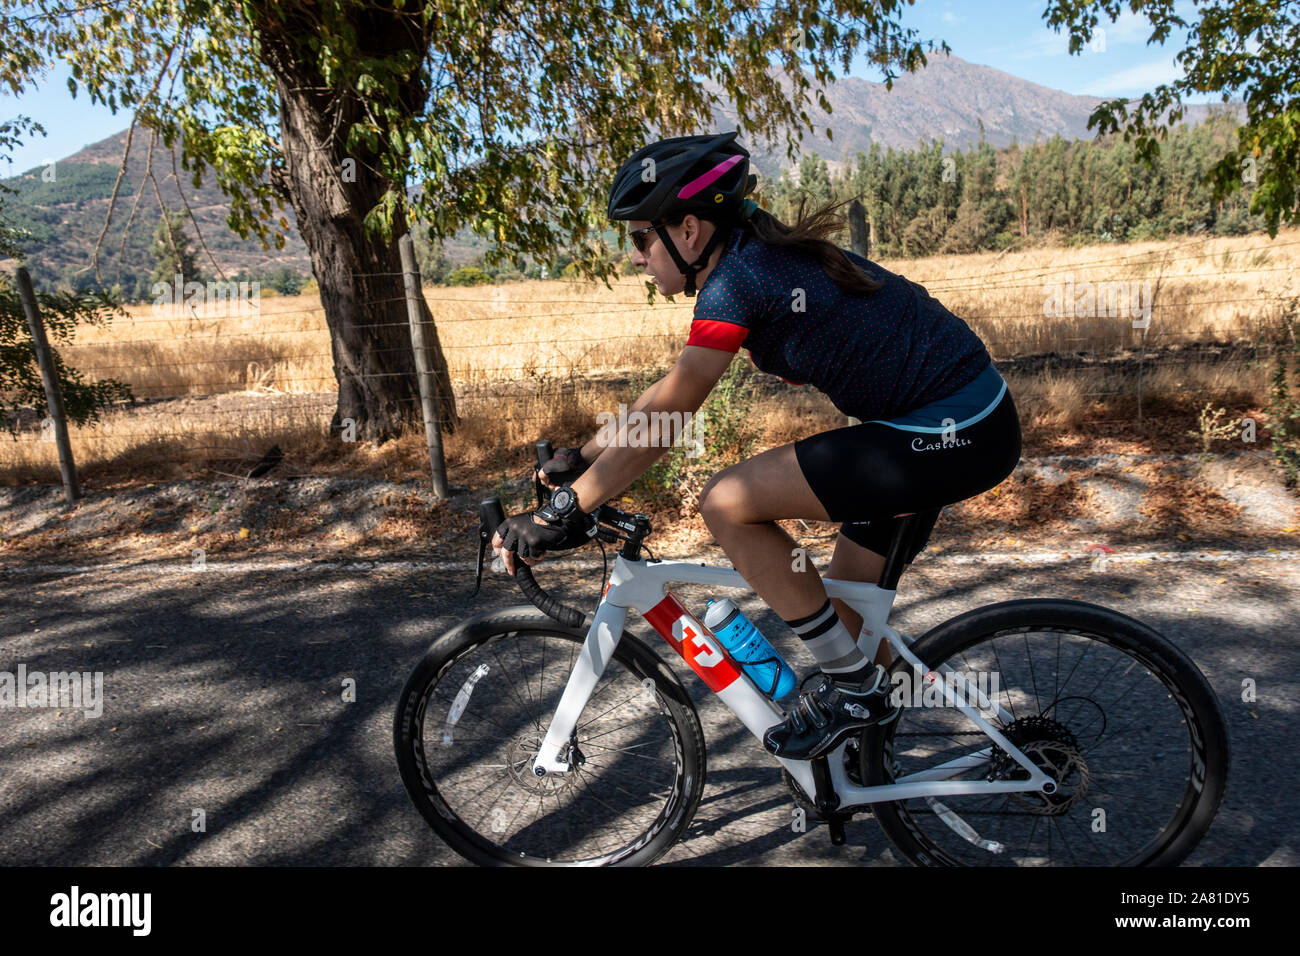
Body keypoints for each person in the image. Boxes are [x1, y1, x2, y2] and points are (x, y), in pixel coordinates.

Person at [493, 131, 1021, 761]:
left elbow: (677, 408)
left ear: (689, 231)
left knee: (727, 502)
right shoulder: (751, 260)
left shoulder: (741, 276)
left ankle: (859, 699)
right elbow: (670, 389)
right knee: (848, 622)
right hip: (948, 425)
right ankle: (885, 762)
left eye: (639, 238)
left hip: (952, 430)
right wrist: (582, 458)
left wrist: (565, 510)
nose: (635, 257)